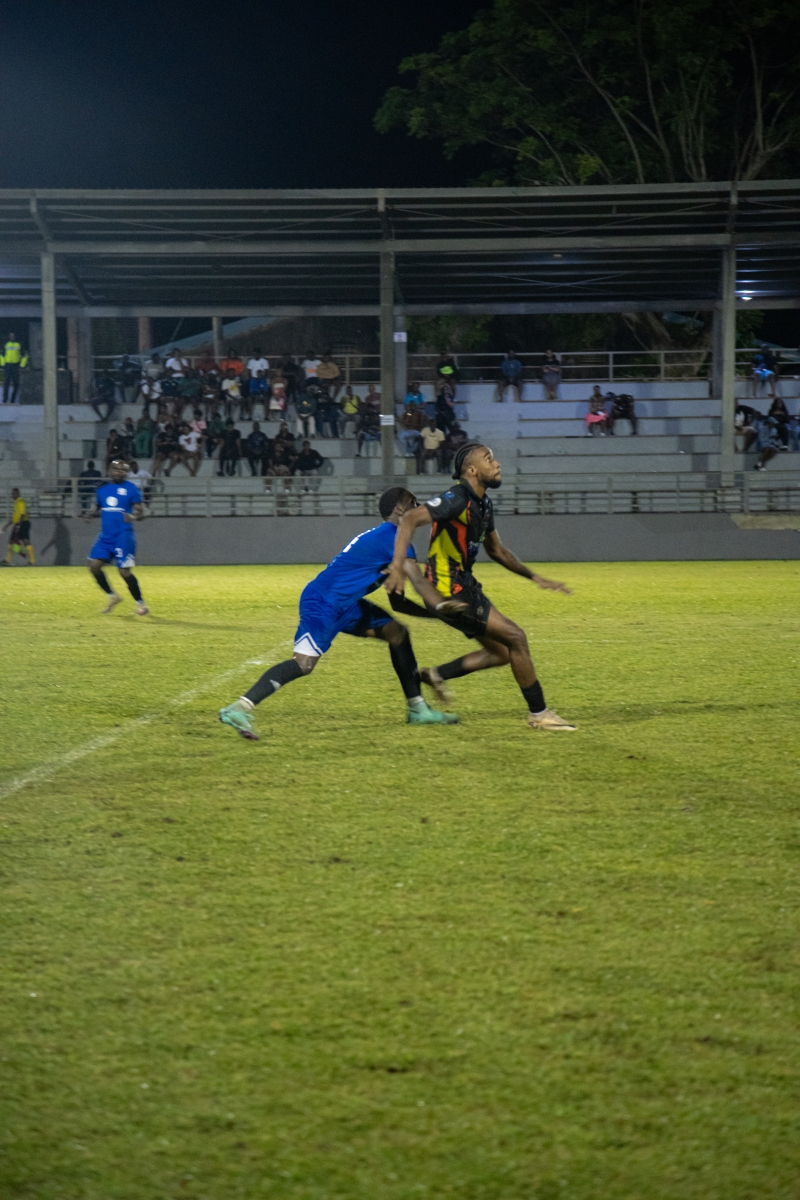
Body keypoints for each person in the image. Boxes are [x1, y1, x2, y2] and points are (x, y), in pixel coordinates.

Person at [218, 487, 460, 740]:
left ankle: (418, 709)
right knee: (303, 664)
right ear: (400, 509)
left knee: (397, 632)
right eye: (413, 502)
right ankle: (239, 708)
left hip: (347, 604)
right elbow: (418, 581)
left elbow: (398, 603)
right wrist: (441, 607)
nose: (419, 507)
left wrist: (437, 615)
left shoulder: (385, 537)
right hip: (324, 601)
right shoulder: (393, 537)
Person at [384, 442, 576, 732]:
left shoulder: (483, 503)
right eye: (489, 459)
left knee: (502, 653)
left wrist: (535, 577)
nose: (497, 464)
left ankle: (437, 674)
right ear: (472, 470)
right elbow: (409, 518)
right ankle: (539, 714)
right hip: (449, 590)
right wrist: (397, 566)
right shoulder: (457, 497)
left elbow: (497, 551)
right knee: (516, 637)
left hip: (465, 586)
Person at [82, 459, 149, 615]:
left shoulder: (131, 489)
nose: (120, 472)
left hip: (123, 535)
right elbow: (97, 505)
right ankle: (113, 596)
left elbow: (141, 512)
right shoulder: (102, 489)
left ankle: (140, 603)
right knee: (94, 566)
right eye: (117, 469)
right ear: (110, 471)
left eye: (123, 470)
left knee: (124, 572)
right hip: (105, 536)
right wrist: (90, 513)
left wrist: (133, 517)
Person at [2, 487, 35, 565]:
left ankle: (29, 559)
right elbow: (14, 518)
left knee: (24, 541)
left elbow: (22, 514)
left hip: (23, 523)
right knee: (13, 541)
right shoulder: (16, 503)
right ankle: (12, 558)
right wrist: (7, 525)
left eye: (13, 494)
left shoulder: (20, 502)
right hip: (20, 523)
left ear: (17, 493)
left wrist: (18, 526)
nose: (12, 495)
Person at [2, 333, 28, 404]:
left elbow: (25, 355)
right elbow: (2, 355)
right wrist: (3, 364)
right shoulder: (6, 344)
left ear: (15, 337)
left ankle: (12, 400)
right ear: (9, 337)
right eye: (10, 336)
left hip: (15, 366)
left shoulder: (18, 345)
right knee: (6, 383)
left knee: (16, 383)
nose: (12, 337)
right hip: (7, 365)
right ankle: (5, 399)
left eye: (13, 336)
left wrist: (22, 365)